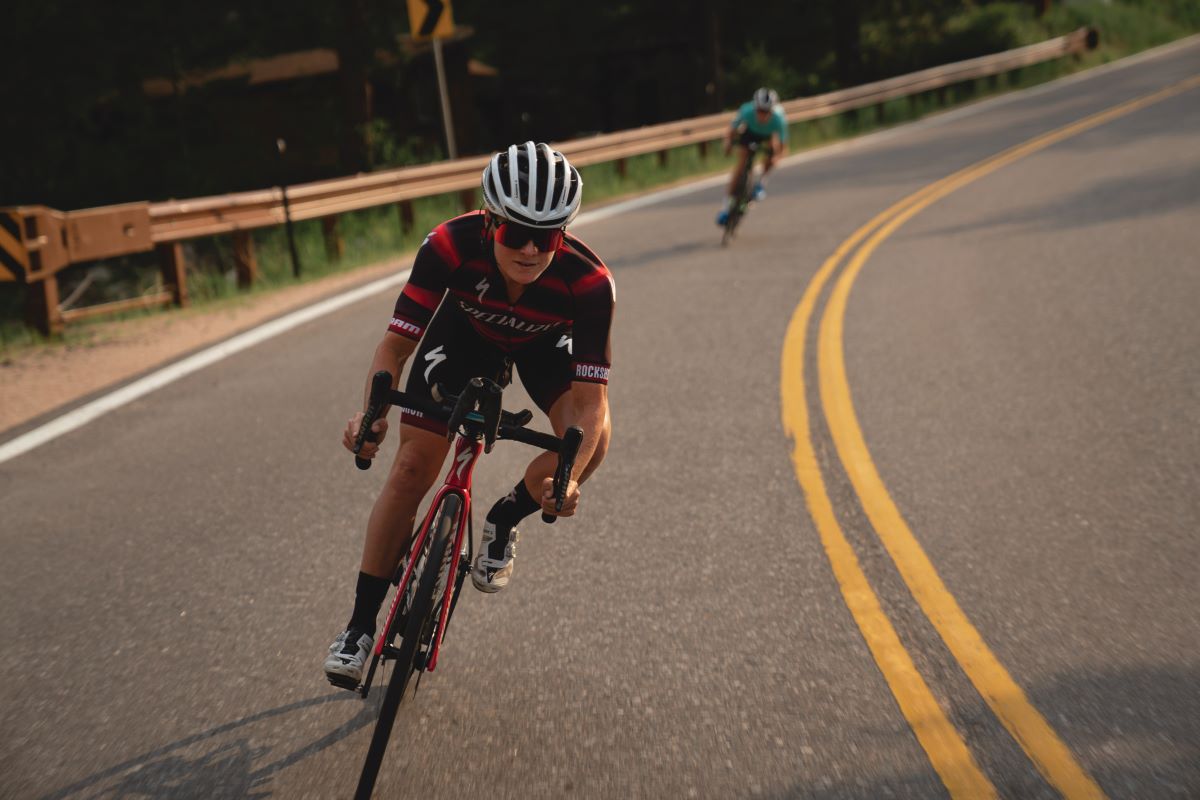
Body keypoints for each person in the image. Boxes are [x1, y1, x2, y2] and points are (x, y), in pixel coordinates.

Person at [324, 141, 615, 687]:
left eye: (546, 236)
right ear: (489, 220)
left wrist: (568, 478)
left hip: (543, 347)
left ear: (565, 234)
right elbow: (394, 349)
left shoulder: (591, 282)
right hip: (464, 335)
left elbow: (590, 399)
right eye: (515, 233)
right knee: (412, 469)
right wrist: (371, 420)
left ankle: (504, 519)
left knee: (591, 444)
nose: (530, 250)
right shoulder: (449, 244)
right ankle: (360, 627)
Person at [716, 87, 789, 226]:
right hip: (750, 133)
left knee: (773, 152)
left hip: (768, 136)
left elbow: (783, 149)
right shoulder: (746, 111)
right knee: (741, 163)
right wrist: (728, 146)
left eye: (766, 112)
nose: (763, 115)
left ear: (772, 110)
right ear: (755, 108)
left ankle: (761, 183)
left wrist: (774, 159)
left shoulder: (779, 119)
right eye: (760, 111)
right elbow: (730, 132)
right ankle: (725, 209)